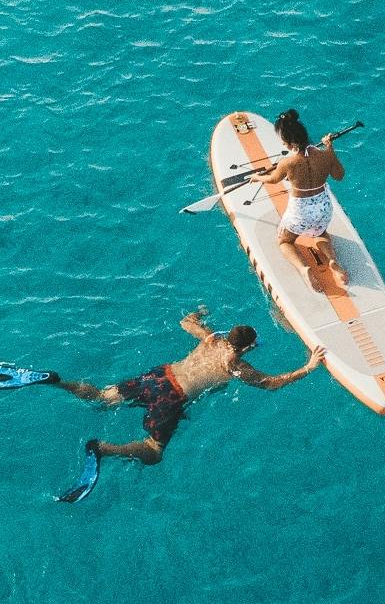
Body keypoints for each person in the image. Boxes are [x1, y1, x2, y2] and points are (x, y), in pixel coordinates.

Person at [51, 308, 325, 472]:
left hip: (159, 376)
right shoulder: (234, 364)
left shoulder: (212, 338)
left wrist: (201, 313)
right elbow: (270, 384)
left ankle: (57, 381)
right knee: (154, 452)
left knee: (101, 396)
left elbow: (186, 321)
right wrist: (308, 368)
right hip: (171, 397)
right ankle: (103, 449)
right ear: (245, 348)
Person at [258, 108, 348, 287]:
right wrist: (330, 149)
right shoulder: (324, 155)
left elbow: (273, 179)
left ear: (291, 144)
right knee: (320, 233)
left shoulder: (287, 163)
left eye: (284, 143)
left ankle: (303, 269)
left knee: (285, 241)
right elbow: (339, 175)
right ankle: (331, 260)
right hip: (323, 208)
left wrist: (258, 177)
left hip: (300, 213)